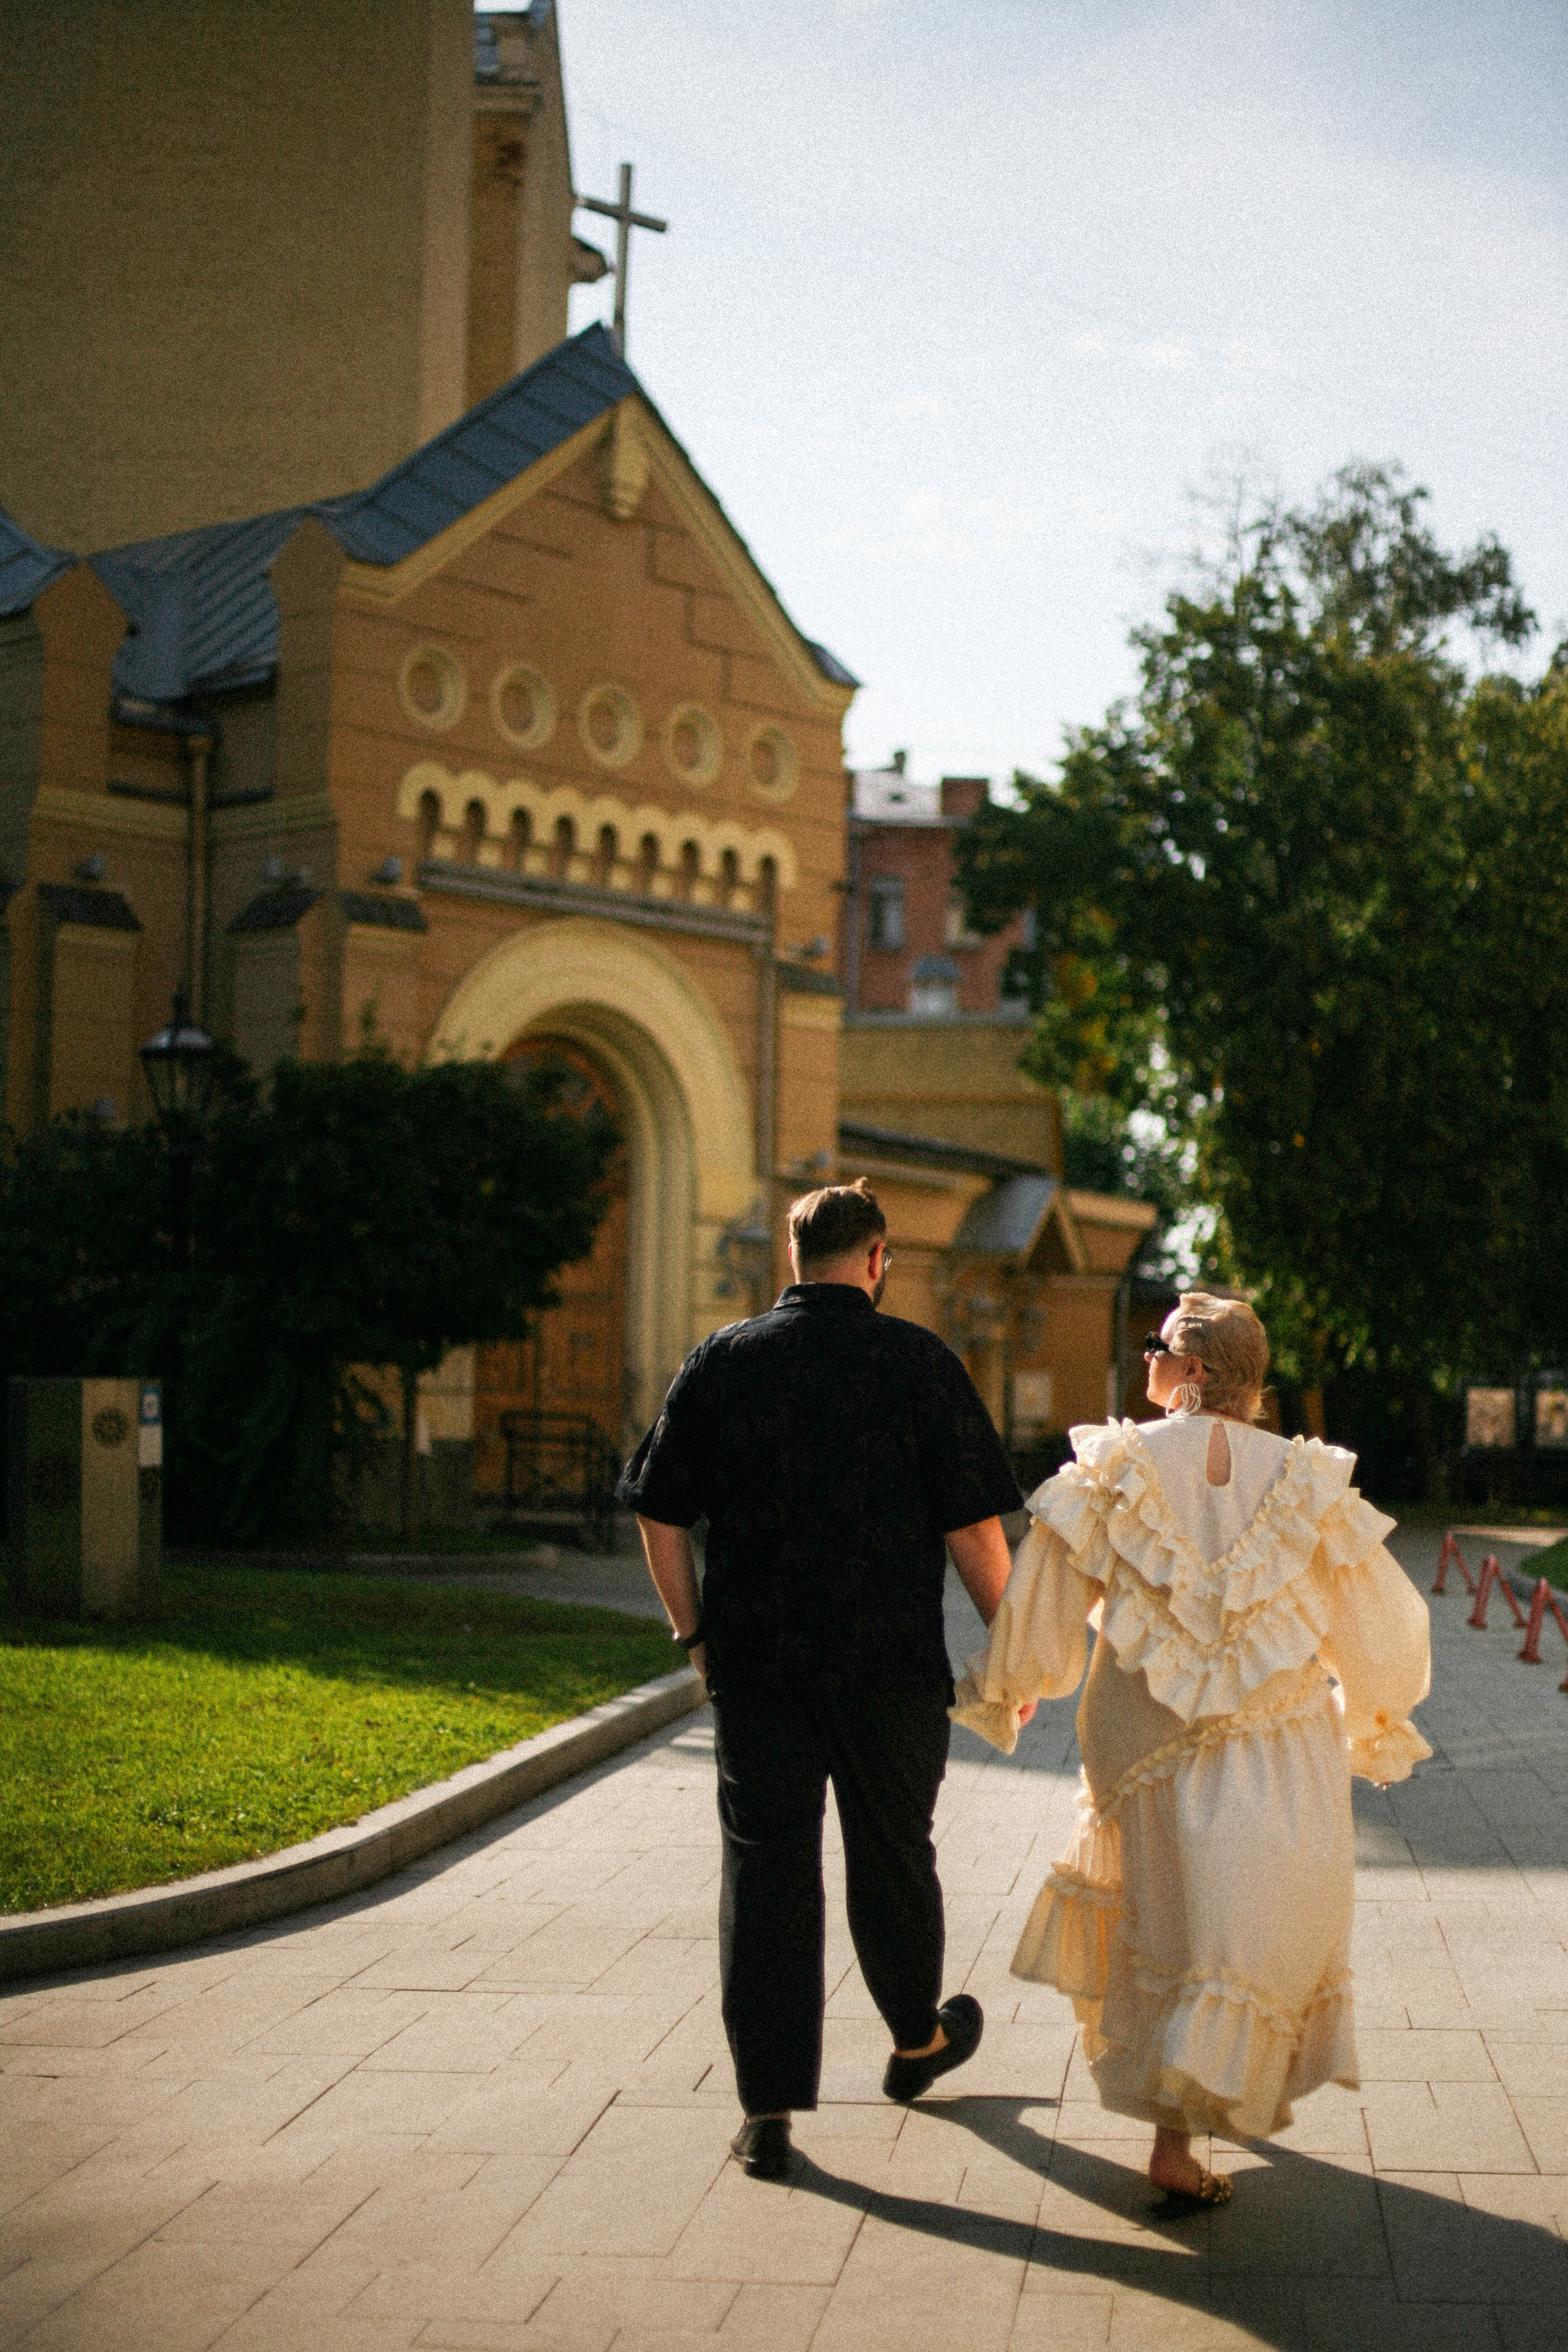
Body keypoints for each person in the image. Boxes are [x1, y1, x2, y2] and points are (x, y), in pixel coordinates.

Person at [953, 1291, 1431, 2210]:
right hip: (1278, 1735)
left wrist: (1011, 1684)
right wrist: (1379, 1712)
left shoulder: (1114, 1469)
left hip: (1143, 1741)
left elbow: (1047, 1595)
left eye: (1156, 1348)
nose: (1145, 1363)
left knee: (1168, 1920)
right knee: (1241, 1923)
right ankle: (1189, 2128)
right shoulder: (1305, 1480)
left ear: (1196, 1371)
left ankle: (1185, 2123)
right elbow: (1380, 1616)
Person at [619, 1180, 1023, 2181]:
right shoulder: (919, 1362)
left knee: (767, 1873)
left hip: (759, 1668)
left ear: (793, 1261)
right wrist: (1017, 1651)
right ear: (878, 1258)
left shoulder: (725, 1360)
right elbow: (973, 1527)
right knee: (894, 1854)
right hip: (889, 1669)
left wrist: (693, 1636)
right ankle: (914, 2043)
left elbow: (658, 1510)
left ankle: (767, 2112)